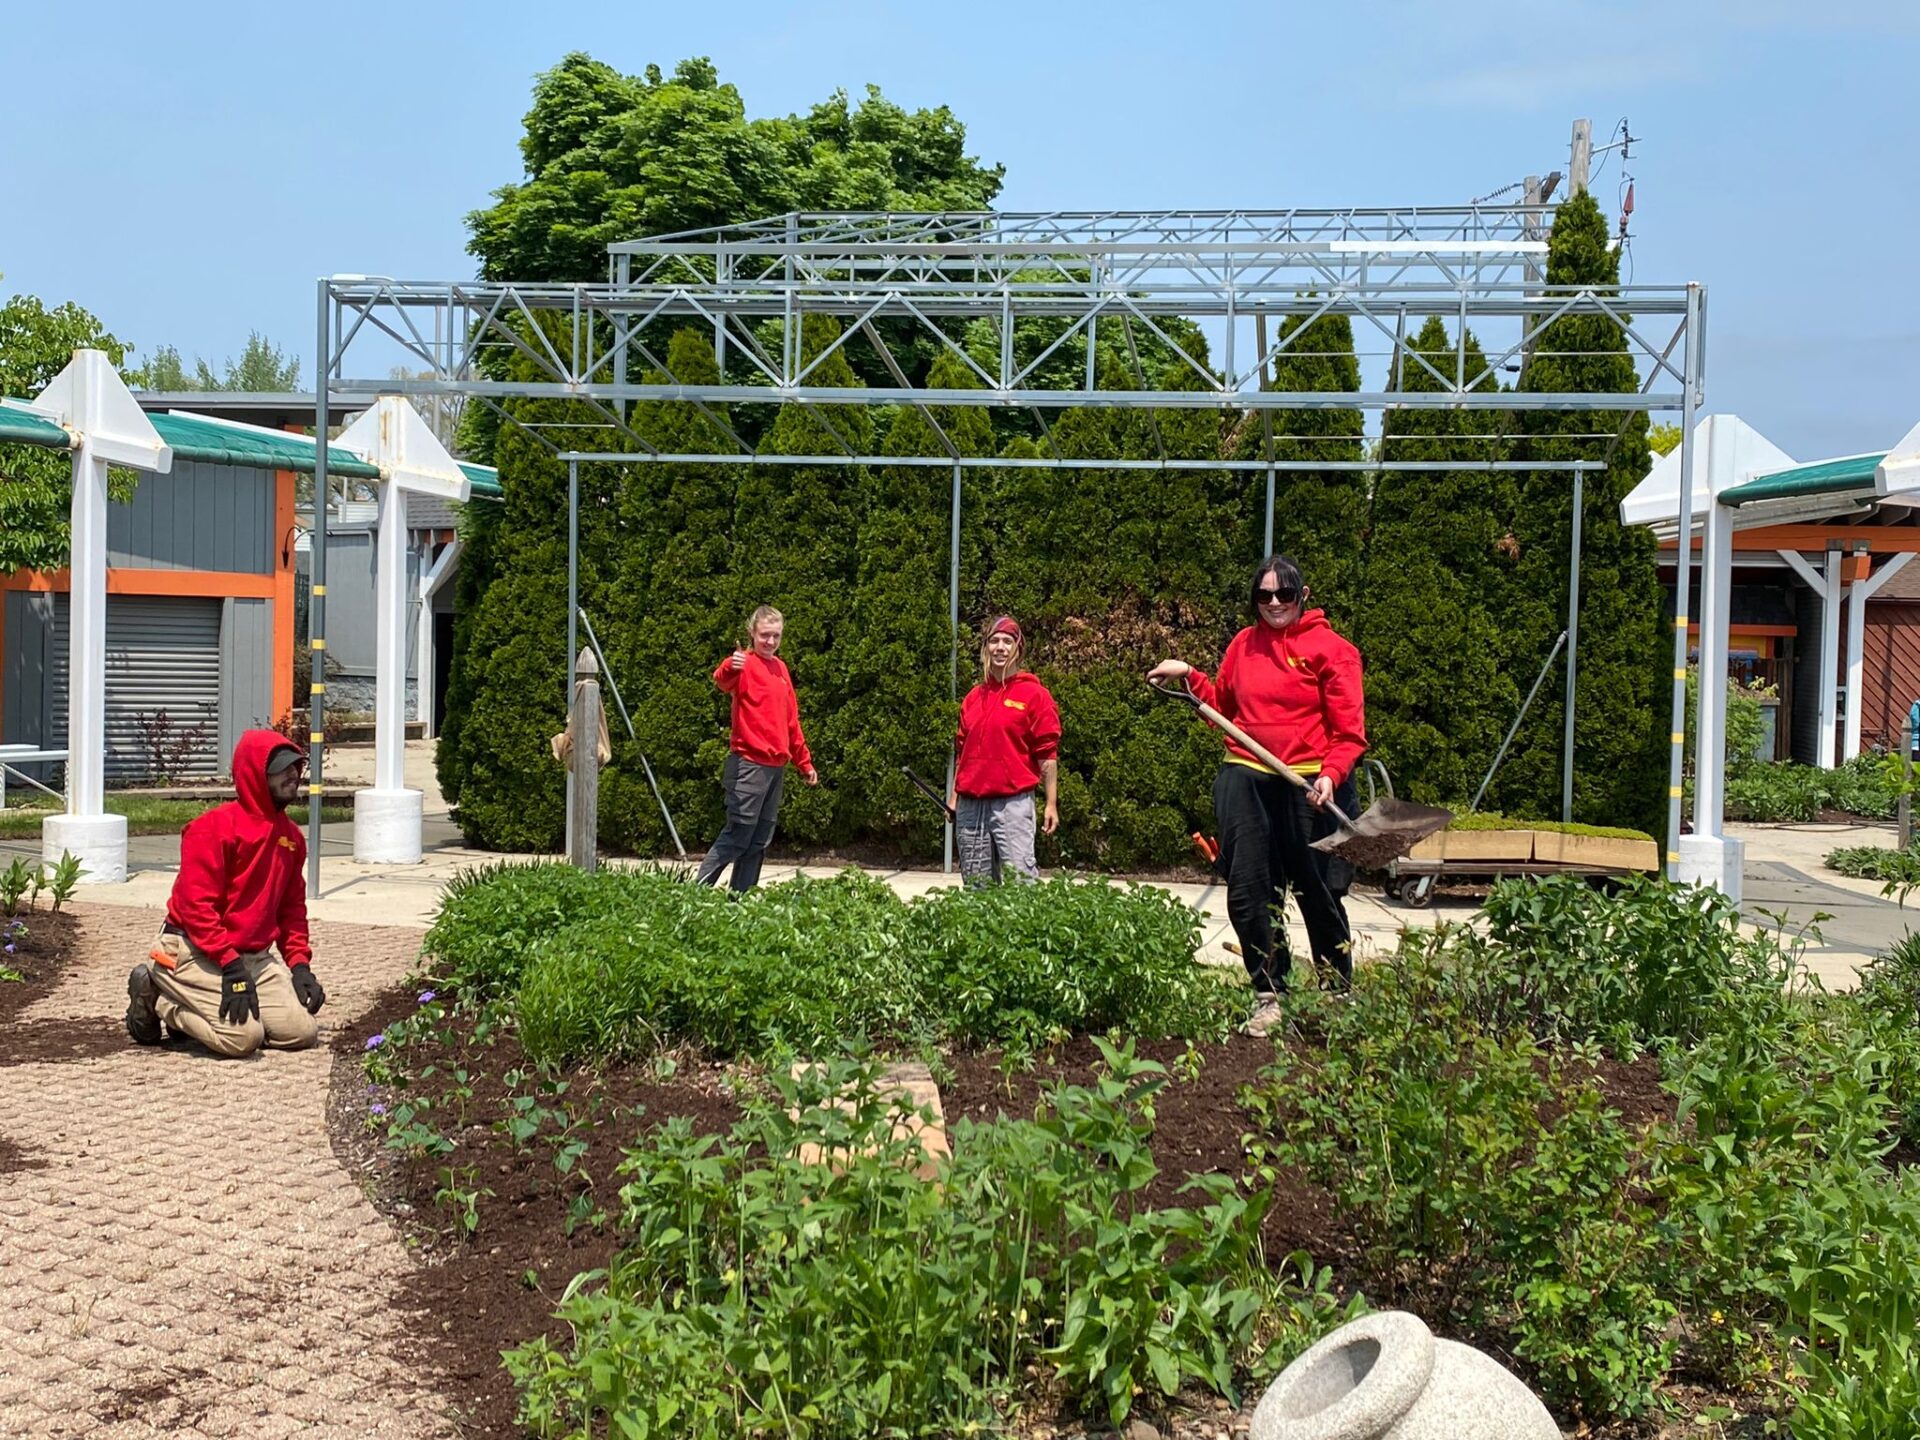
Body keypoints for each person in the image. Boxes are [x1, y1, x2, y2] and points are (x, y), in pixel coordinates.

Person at [1148, 555, 1366, 1024]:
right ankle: (1270, 995)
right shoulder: (1244, 644)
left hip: (1309, 783)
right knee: (1250, 889)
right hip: (1246, 775)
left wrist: (1331, 774)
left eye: (1284, 594)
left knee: (1318, 892)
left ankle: (1336, 994)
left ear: (1302, 596)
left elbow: (1349, 733)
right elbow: (1223, 707)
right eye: (1263, 595)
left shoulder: (1333, 649)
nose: (1273, 603)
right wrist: (1189, 674)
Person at [124, 731, 327, 1057]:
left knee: (301, 1033)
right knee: (242, 1039)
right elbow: (195, 908)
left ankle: (202, 1006)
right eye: (282, 768)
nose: (294, 774)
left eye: (297, 766)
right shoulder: (213, 828)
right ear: (255, 774)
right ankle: (159, 996)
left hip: (253, 959)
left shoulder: (291, 838)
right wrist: (231, 967)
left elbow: (291, 910)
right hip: (193, 951)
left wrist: (300, 966)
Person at [697, 605, 819, 891]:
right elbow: (722, 680)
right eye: (765, 635)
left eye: (776, 636)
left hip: (776, 768)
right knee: (738, 834)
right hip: (749, 764)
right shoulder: (743, 664)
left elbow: (792, 722)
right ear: (752, 633)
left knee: (759, 839)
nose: (770, 642)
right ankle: (694, 893)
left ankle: (740, 900)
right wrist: (730, 665)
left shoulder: (781, 669)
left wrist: (805, 763)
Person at [947, 615, 1061, 886]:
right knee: (976, 886)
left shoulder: (1035, 695)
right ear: (986, 648)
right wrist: (954, 798)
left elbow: (1047, 755)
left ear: (1018, 649)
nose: (1000, 647)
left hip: (1012, 804)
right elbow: (963, 753)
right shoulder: (973, 697)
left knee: (1020, 883)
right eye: (994, 641)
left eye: (1007, 641)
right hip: (970, 806)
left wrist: (1051, 803)